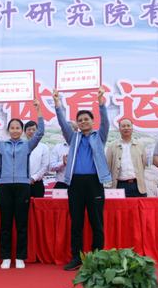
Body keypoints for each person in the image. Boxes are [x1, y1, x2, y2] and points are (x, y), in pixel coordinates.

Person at [53, 88, 111, 271]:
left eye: (86, 119)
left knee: (96, 222)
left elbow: (106, 122)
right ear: (77, 124)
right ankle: (76, 257)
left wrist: (101, 103)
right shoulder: (73, 138)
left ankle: (97, 258)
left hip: (94, 183)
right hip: (75, 184)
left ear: (92, 121)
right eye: (80, 120)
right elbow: (62, 123)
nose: (83, 121)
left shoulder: (99, 136)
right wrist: (57, 104)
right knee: (76, 223)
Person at [0, 99, 44, 269]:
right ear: (8, 130)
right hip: (5, 186)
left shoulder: (28, 145)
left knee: (22, 223)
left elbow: (40, 132)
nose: (15, 130)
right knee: (6, 223)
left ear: (21, 131)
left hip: (23, 186)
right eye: (12, 128)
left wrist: (39, 111)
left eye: (18, 128)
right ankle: (6, 257)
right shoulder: (1, 145)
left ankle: (20, 257)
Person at [106, 119, 148, 197]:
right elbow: (108, 165)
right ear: (119, 129)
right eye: (123, 126)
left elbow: (143, 164)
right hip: (119, 185)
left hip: (137, 185)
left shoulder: (140, 145)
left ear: (132, 128)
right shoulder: (112, 146)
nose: (126, 128)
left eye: (128, 126)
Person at [50, 121, 78, 190]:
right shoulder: (57, 147)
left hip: (78, 184)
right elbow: (51, 168)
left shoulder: (82, 147)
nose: (67, 132)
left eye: (70, 130)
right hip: (62, 183)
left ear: (76, 132)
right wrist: (63, 163)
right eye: (65, 130)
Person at [25, 120, 49, 198]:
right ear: (25, 132)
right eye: (29, 129)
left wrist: (33, 178)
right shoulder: (21, 146)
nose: (31, 131)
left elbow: (45, 166)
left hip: (37, 183)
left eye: (34, 129)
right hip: (22, 183)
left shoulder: (44, 147)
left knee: (38, 205)